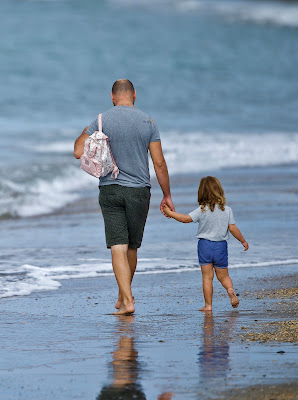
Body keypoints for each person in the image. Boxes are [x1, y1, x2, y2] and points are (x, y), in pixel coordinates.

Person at [74, 79, 174, 315]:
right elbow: (159, 163)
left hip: (110, 189)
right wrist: (167, 195)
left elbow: (78, 151)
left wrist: (88, 132)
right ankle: (125, 297)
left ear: (112, 96)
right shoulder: (149, 122)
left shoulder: (101, 120)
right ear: (134, 95)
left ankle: (125, 299)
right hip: (139, 190)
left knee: (117, 245)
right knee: (132, 248)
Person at [163, 176, 248, 311]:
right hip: (221, 246)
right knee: (224, 276)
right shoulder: (227, 210)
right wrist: (243, 241)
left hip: (205, 246)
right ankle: (230, 289)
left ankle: (208, 306)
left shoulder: (202, 209)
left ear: (201, 192)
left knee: (207, 277)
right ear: (219, 191)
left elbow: (185, 219)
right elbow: (232, 228)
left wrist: (169, 213)